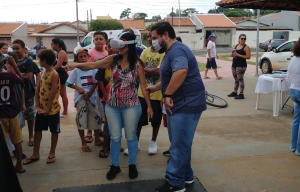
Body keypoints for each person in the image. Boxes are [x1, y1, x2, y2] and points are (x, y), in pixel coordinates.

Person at [64, 32, 153, 180]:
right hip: (112, 105)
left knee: (131, 136)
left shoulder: (138, 64)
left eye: (122, 44)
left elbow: (143, 87)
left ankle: (132, 165)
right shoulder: (113, 59)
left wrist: (149, 106)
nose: (119, 47)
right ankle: (115, 166)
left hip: (131, 105)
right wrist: (75, 65)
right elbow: (93, 64)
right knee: (115, 136)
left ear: (129, 45)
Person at [149, 21, 206, 192]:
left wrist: (167, 94)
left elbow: (181, 72)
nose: (152, 41)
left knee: (179, 145)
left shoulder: (178, 50)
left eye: (154, 37)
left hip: (187, 104)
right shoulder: (170, 51)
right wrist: (157, 87)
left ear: (166, 35)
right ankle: (186, 175)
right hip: (181, 103)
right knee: (181, 143)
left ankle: (176, 183)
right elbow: (170, 76)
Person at [124, 31, 164, 156]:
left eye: (154, 37)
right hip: (142, 92)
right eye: (150, 37)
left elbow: (158, 71)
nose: (152, 40)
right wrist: (148, 71)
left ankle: (153, 142)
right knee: (139, 119)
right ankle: (136, 142)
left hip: (157, 93)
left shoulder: (164, 53)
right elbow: (138, 68)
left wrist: (145, 70)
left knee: (156, 120)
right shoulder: (145, 52)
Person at [23, 49, 61, 165]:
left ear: (44, 60)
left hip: (53, 110)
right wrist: (38, 106)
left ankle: (52, 153)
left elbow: (53, 92)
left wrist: (48, 109)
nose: (38, 62)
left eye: (40, 60)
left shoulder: (54, 74)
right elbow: (37, 89)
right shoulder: (43, 73)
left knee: (54, 131)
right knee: (37, 130)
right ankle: (35, 153)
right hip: (41, 109)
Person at [66, 48, 102, 151]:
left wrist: (90, 93)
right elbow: (68, 83)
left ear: (88, 57)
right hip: (81, 98)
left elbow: (96, 82)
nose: (83, 58)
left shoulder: (93, 69)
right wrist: (78, 88)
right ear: (77, 58)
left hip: (92, 97)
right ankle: (83, 142)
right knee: (81, 119)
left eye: (84, 56)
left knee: (95, 117)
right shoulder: (76, 70)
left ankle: (97, 139)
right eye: (80, 57)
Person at [13, 39, 40, 147]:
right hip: (15, 93)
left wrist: (16, 74)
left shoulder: (28, 61)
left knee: (30, 116)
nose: (15, 51)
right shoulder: (11, 61)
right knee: (16, 116)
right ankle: (17, 137)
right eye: (13, 48)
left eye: (17, 48)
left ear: (24, 49)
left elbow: (29, 77)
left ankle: (31, 136)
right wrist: (21, 74)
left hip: (28, 92)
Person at [96, 39, 118, 158]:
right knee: (109, 122)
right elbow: (99, 80)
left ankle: (114, 144)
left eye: (113, 46)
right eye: (108, 46)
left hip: (119, 98)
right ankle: (105, 147)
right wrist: (105, 95)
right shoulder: (103, 62)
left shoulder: (121, 62)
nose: (111, 49)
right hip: (107, 98)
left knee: (117, 123)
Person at [86, 31, 108, 143]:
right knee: (92, 110)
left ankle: (100, 131)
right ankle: (89, 132)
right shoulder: (90, 53)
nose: (98, 41)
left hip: (104, 86)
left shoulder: (108, 53)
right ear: (93, 41)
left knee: (101, 111)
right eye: (96, 39)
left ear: (105, 41)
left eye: (101, 39)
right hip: (92, 86)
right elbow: (87, 67)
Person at [227, 34, 251, 100]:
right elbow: (232, 54)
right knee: (236, 79)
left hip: (241, 65)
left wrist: (239, 55)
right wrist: (232, 54)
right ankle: (235, 92)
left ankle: (241, 93)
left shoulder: (246, 47)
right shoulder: (236, 46)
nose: (243, 40)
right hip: (234, 64)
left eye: (245, 39)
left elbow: (248, 57)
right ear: (239, 39)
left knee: (240, 79)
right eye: (242, 38)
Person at [51, 38, 69, 117]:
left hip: (62, 75)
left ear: (57, 45)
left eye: (52, 44)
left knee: (63, 94)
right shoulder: (58, 53)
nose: (51, 46)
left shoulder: (62, 52)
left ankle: (65, 112)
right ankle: (60, 110)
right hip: (58, 75)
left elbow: (58, 65)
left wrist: (49, 71)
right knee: (59, 93)